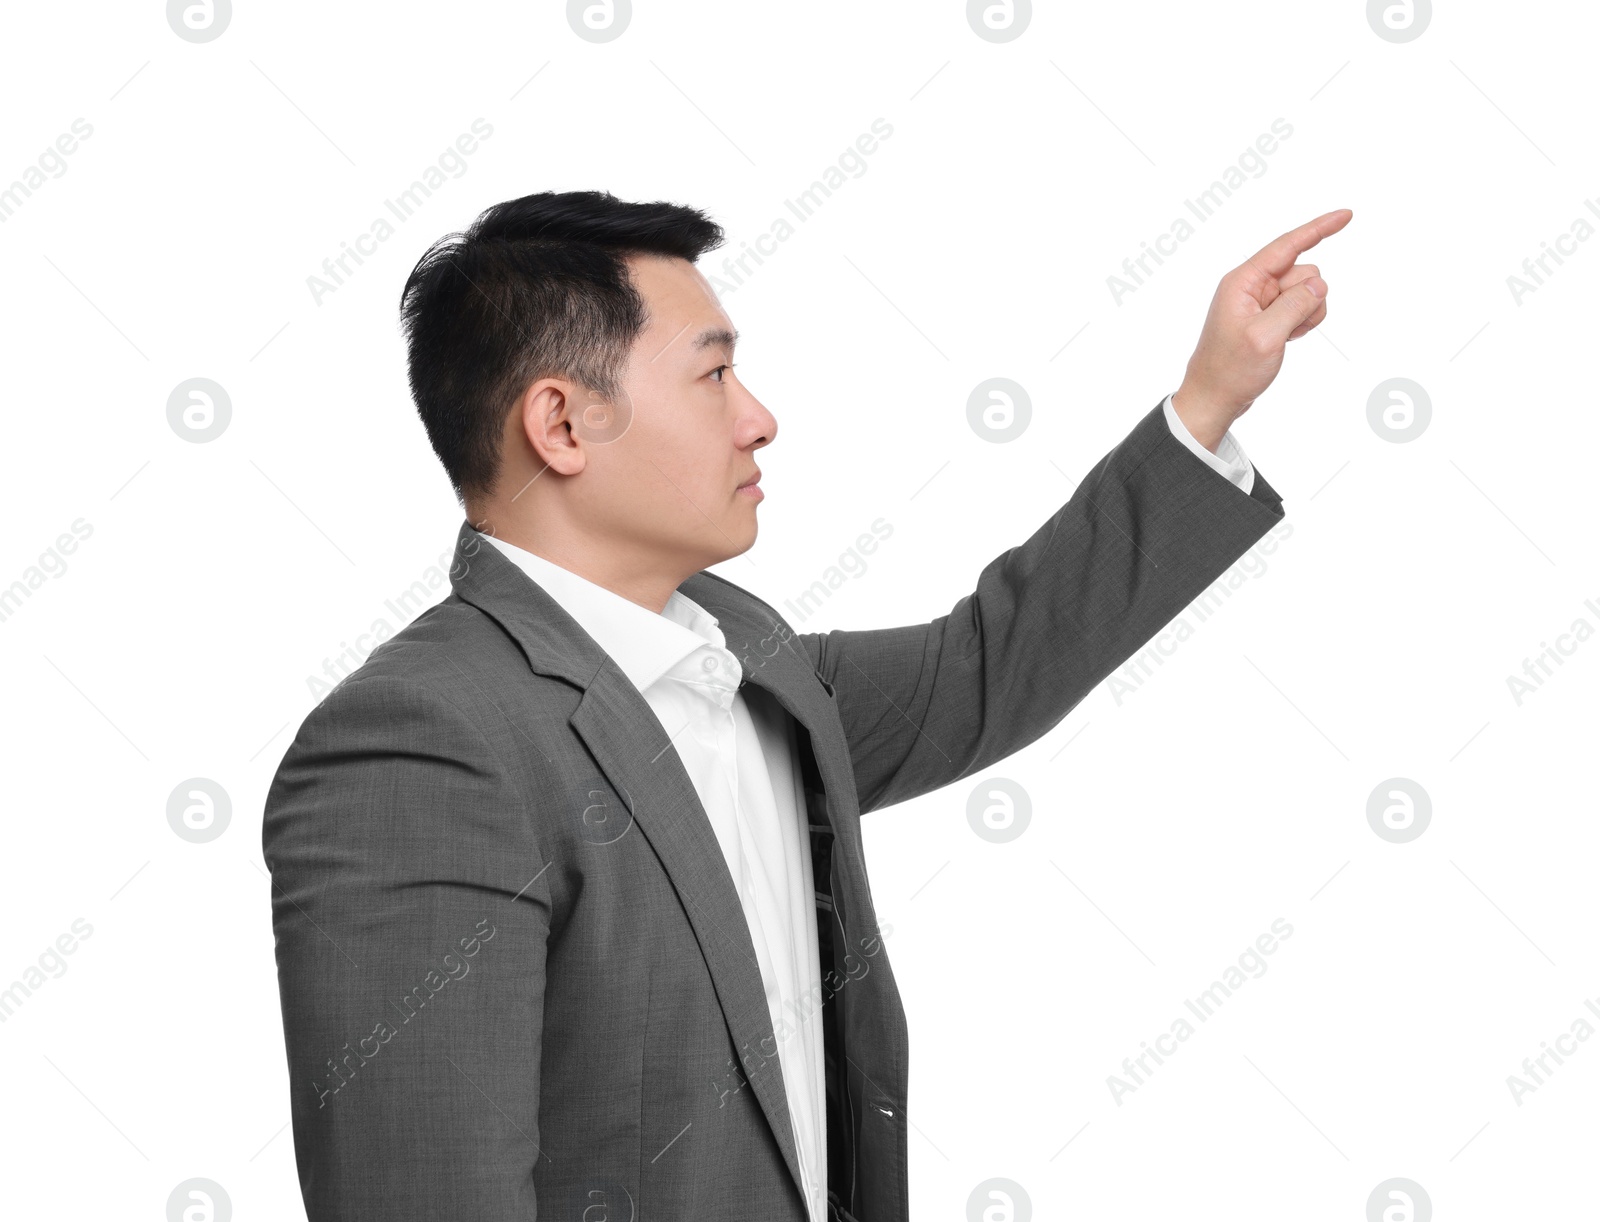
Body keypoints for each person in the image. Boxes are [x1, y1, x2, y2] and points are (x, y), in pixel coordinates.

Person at [262, 189, 1350, 1221]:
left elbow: (984, 666)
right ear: (560, 424)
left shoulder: (753, 667)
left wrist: (1207, 400)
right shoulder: (422, 742)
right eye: (713, 374)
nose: (760, 418)